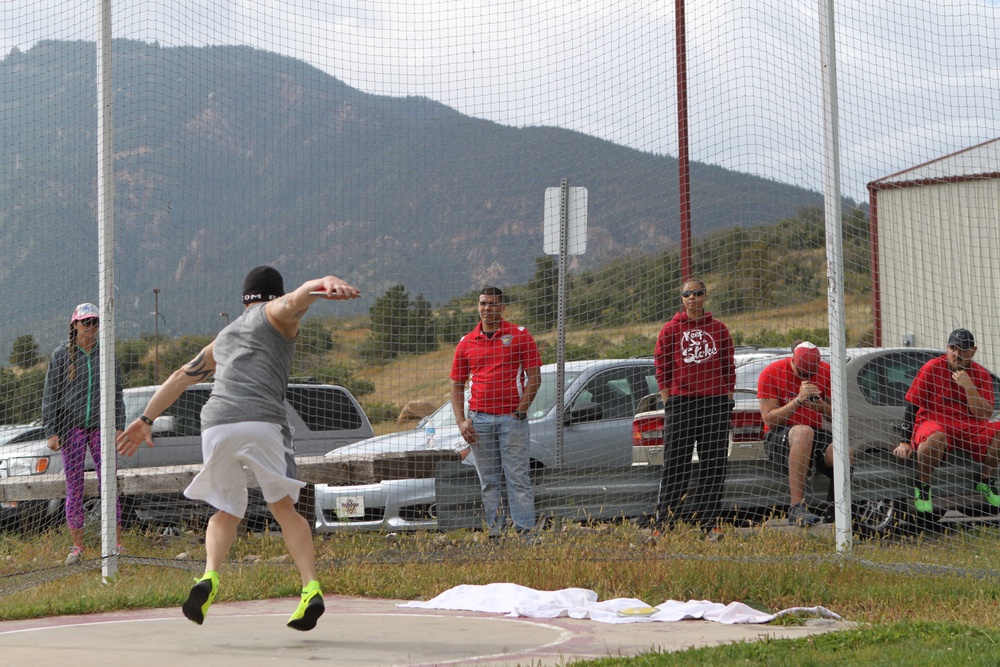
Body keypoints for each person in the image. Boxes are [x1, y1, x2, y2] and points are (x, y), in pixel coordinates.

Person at [117, 266, 360, 631]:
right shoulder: (275, 313)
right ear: (272, 296)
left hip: (215, 424)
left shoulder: (224, 337)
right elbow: (298, 299)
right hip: (262, 422)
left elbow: (180, 377)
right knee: (283, 507)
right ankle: (310, 588)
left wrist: (146, 419)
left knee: (227, 509)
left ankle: (209, 576)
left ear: (243, 299)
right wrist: (324, 282)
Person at [451, 286, 541, 538]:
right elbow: (456, 385)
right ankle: (496, 534)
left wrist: (521, 411)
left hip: (511, 421)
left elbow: (535, 376)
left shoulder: (520, 335)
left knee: (518, 480)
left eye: (492, 304)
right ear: (477, 306)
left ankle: (526, 534)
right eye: (483, 303)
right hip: (479, 421)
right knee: (489, 482)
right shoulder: (466, 342)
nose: (487, 309)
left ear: (502, 307)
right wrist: (461, 421)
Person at [41, 302, 125, 565]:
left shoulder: (107, 353)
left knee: (108, 484)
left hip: (101, 427)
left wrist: (119, 425)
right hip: (71, 428)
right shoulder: (60, 355)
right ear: (74, 325)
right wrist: (52, 431)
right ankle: (77, 547)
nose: (91, 327)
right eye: (85, 322)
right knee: (74, 486)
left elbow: (117, 392)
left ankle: (115, 543)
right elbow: (50, 396)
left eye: (95, 322)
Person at [652, 279, 735, 538]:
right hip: (681, 404)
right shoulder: (670, 330)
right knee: (676, 465)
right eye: (687, 294)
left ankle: (709, 524)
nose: (692, 298)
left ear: (705, 297)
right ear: (682, 299)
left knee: (714, 465)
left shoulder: (719, 329)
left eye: (697, 293)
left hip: (714, 403)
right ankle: (663, 525)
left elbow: (728, 365)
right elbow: (661, 366)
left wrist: (726, 395)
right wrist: (669, 399)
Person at [893, 328, 1000, 515]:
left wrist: (968, 387)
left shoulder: (981, 374)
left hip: (968, 425)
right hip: (934, 420)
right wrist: (904, 440)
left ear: (973, 351)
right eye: (953, 348)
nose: (957, 354)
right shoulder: (932, 367)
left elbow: (984, 414)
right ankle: (923, 485)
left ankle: (986, 480)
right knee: (935, 437)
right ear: (947, 348)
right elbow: (912, 405)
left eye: (963, 350)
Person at [757, 341, 834, 526]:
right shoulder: (772, 372)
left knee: (843, 452)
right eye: (802, 374)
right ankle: (796, 506)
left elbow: (837, 416)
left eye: (811, 375)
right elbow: (769, 420)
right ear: (792, 361)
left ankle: (837, 509)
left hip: (814, 432)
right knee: (804, 432)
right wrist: (797, 401)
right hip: (779, 435)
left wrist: (820, 405)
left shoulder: (827, 371)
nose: (806, 378)